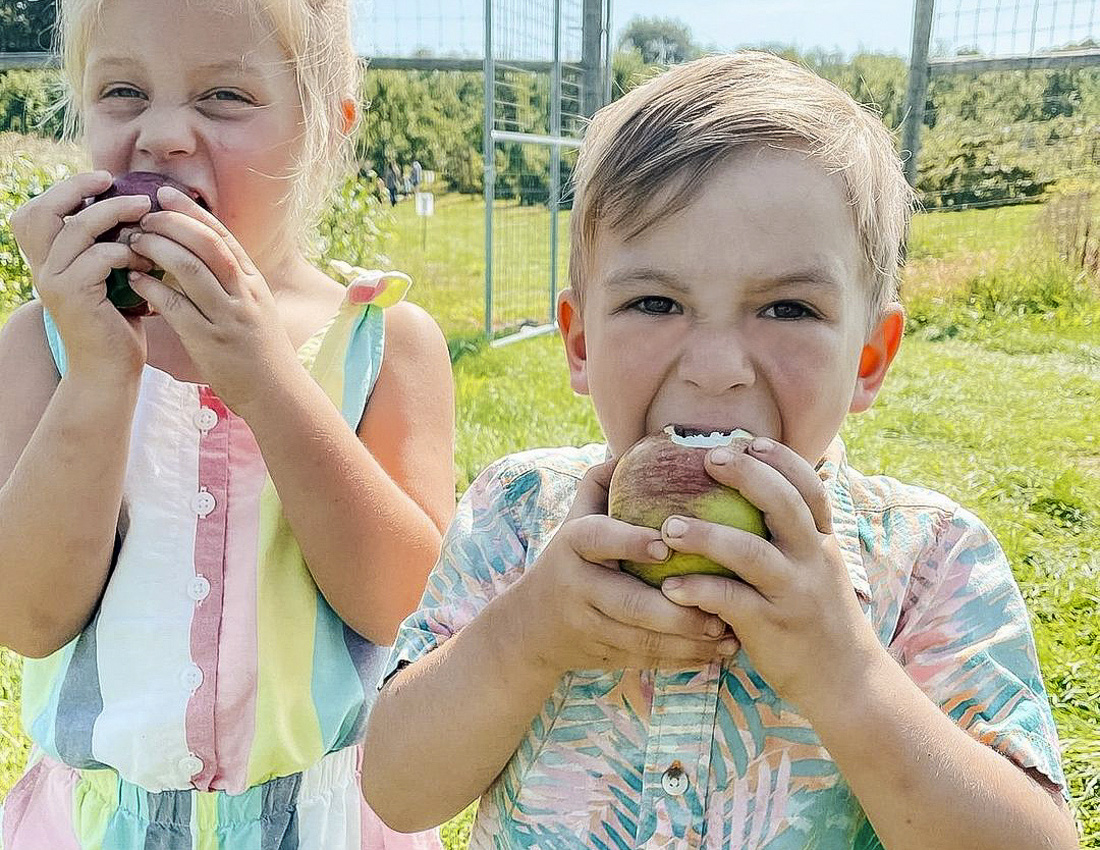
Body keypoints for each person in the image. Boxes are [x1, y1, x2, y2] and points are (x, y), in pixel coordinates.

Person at [361, 53, 1077, 849]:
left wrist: (845, 673)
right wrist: (527, 637)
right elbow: (397, 791)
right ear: (580, 342)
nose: (715, 367)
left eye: (787, 308)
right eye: (656, 301)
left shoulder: (930, 563)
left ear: (870, 357)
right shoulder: (518, 517)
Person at [0, 0, 454, 847]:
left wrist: (270, 381)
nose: (165, 135)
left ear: (325, 128)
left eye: (224, 98)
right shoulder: (42, 345)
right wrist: (100, 376)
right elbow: (27, 616)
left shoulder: (383, 344)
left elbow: (401, 608)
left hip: (324, 822)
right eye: (124, 91)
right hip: (100, 826)